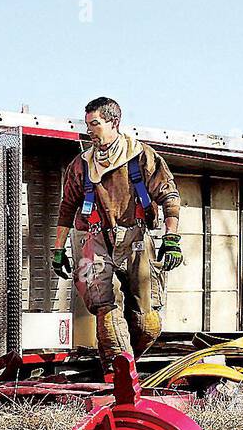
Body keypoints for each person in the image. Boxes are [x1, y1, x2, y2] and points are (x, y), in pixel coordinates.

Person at [51, 96, 182, 376]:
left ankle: (123, 364)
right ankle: (116, 375)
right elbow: (66, 208)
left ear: (114, 122)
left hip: (135, 237)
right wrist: (58, 249)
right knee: (106, 310)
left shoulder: (142, 156)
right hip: (94, 238)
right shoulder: (82, 164)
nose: (90, 130)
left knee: (148, 324)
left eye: (95, 124)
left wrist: (171, 239)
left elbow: (169, 196)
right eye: (87, 124)